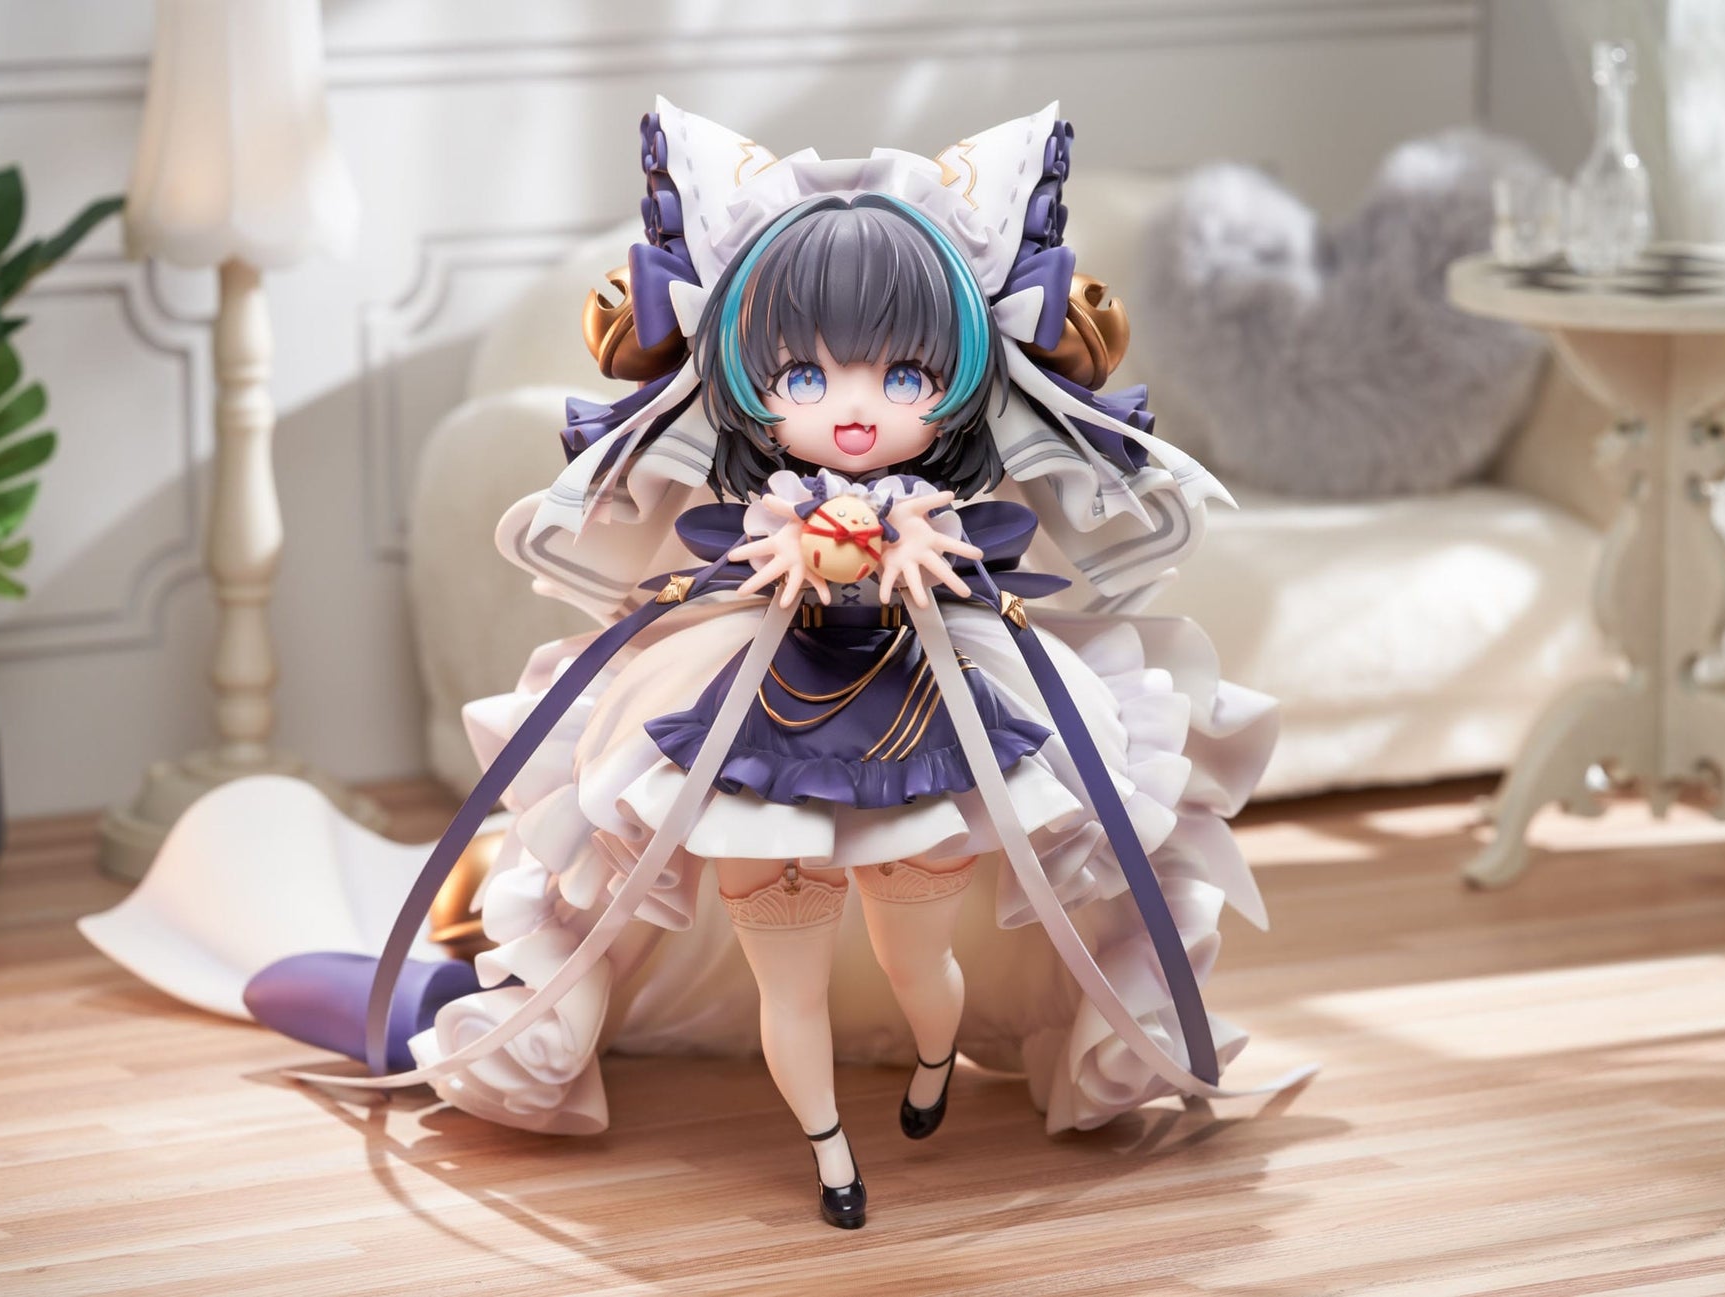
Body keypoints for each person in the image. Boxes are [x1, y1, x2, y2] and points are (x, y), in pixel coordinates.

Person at [135, 99, 1311, 1231]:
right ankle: (829, 1154)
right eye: (804, 378)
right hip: (761, 729)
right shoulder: (760, 509)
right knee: (778, 979)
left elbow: (996, 550)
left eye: (903, 378)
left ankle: (933, 1059)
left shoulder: (941, 508)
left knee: (921, 960)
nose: (855, 411)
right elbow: (712, 558)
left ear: (954, 383)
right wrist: (782, 561)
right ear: (752, 385)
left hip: (926, 721)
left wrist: (915, 556)